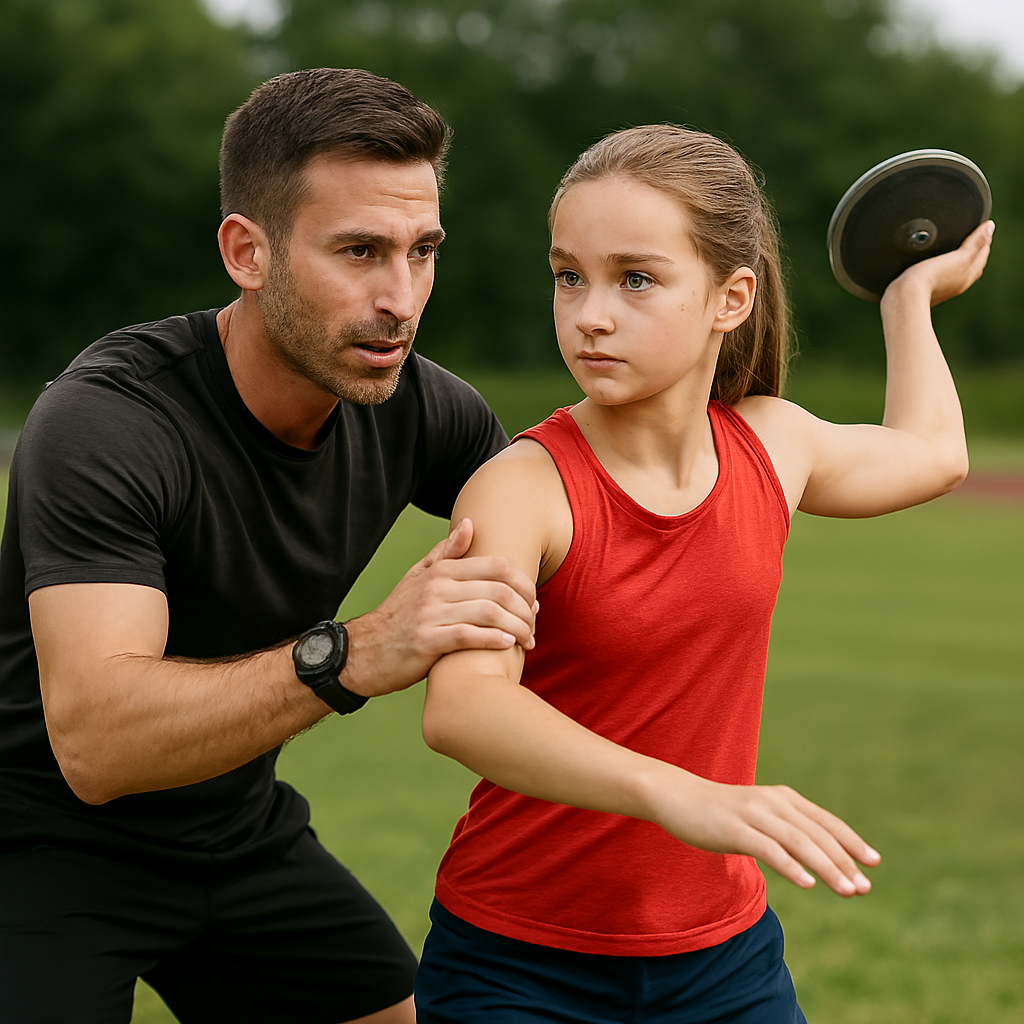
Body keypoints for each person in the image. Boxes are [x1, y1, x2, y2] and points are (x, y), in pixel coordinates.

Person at [414, 124, 993, 1023]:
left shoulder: (773, 442)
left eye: (635, 279)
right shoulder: (524, 485)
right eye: (570, 276)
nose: (590, 313)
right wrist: (679, 794)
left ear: (731, 299)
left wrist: (907, 294)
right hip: (518, 963)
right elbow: (462, 707)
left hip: (724, 960)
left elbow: (933, 454)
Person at [0, 68, 539, 1024]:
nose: (401, 298)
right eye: (361, 251)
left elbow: (589, 529)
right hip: (40, 848)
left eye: (423, 252)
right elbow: (96, 743)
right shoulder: (108, 423)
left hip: (239, 837)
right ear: (247, 252)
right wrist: (359, 652)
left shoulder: (423, 408)